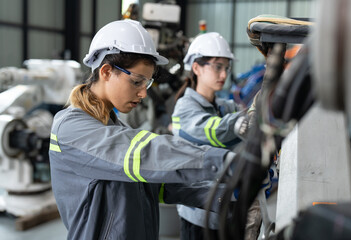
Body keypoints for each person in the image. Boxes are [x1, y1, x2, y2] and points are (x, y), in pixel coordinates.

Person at [48, 19, 238, 240]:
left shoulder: (114, 127)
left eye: (146, 84)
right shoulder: (70, 128)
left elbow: (160, 186)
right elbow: (145, 153)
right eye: (137, 82)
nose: (143, 93)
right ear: (107, 71)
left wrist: (229, 196)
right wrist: (227, 163)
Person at [171, 32, 261, 240]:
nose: (223, 74)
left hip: (227, 209)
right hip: (199, 213)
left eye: (226, 68)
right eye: (217, 66)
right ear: (196, 68)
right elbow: (215, 132)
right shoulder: (184, 108)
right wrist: (243, 121)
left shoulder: (224, 105)